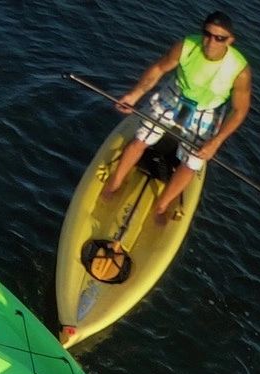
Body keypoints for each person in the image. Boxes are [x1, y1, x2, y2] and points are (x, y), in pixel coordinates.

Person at [102, 13, 252, 223]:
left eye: (219, 38)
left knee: (192, 162)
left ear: (230, 40)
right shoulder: (187, 46)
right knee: (140, 139)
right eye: (207, 34)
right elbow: (159, 68)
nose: (210, 42)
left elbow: (239, 111)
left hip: (207, 109)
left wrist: (216, 142)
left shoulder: (240, 70)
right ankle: (114, 183)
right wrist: (135, 94)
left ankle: (162, 205)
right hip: (175, 94)